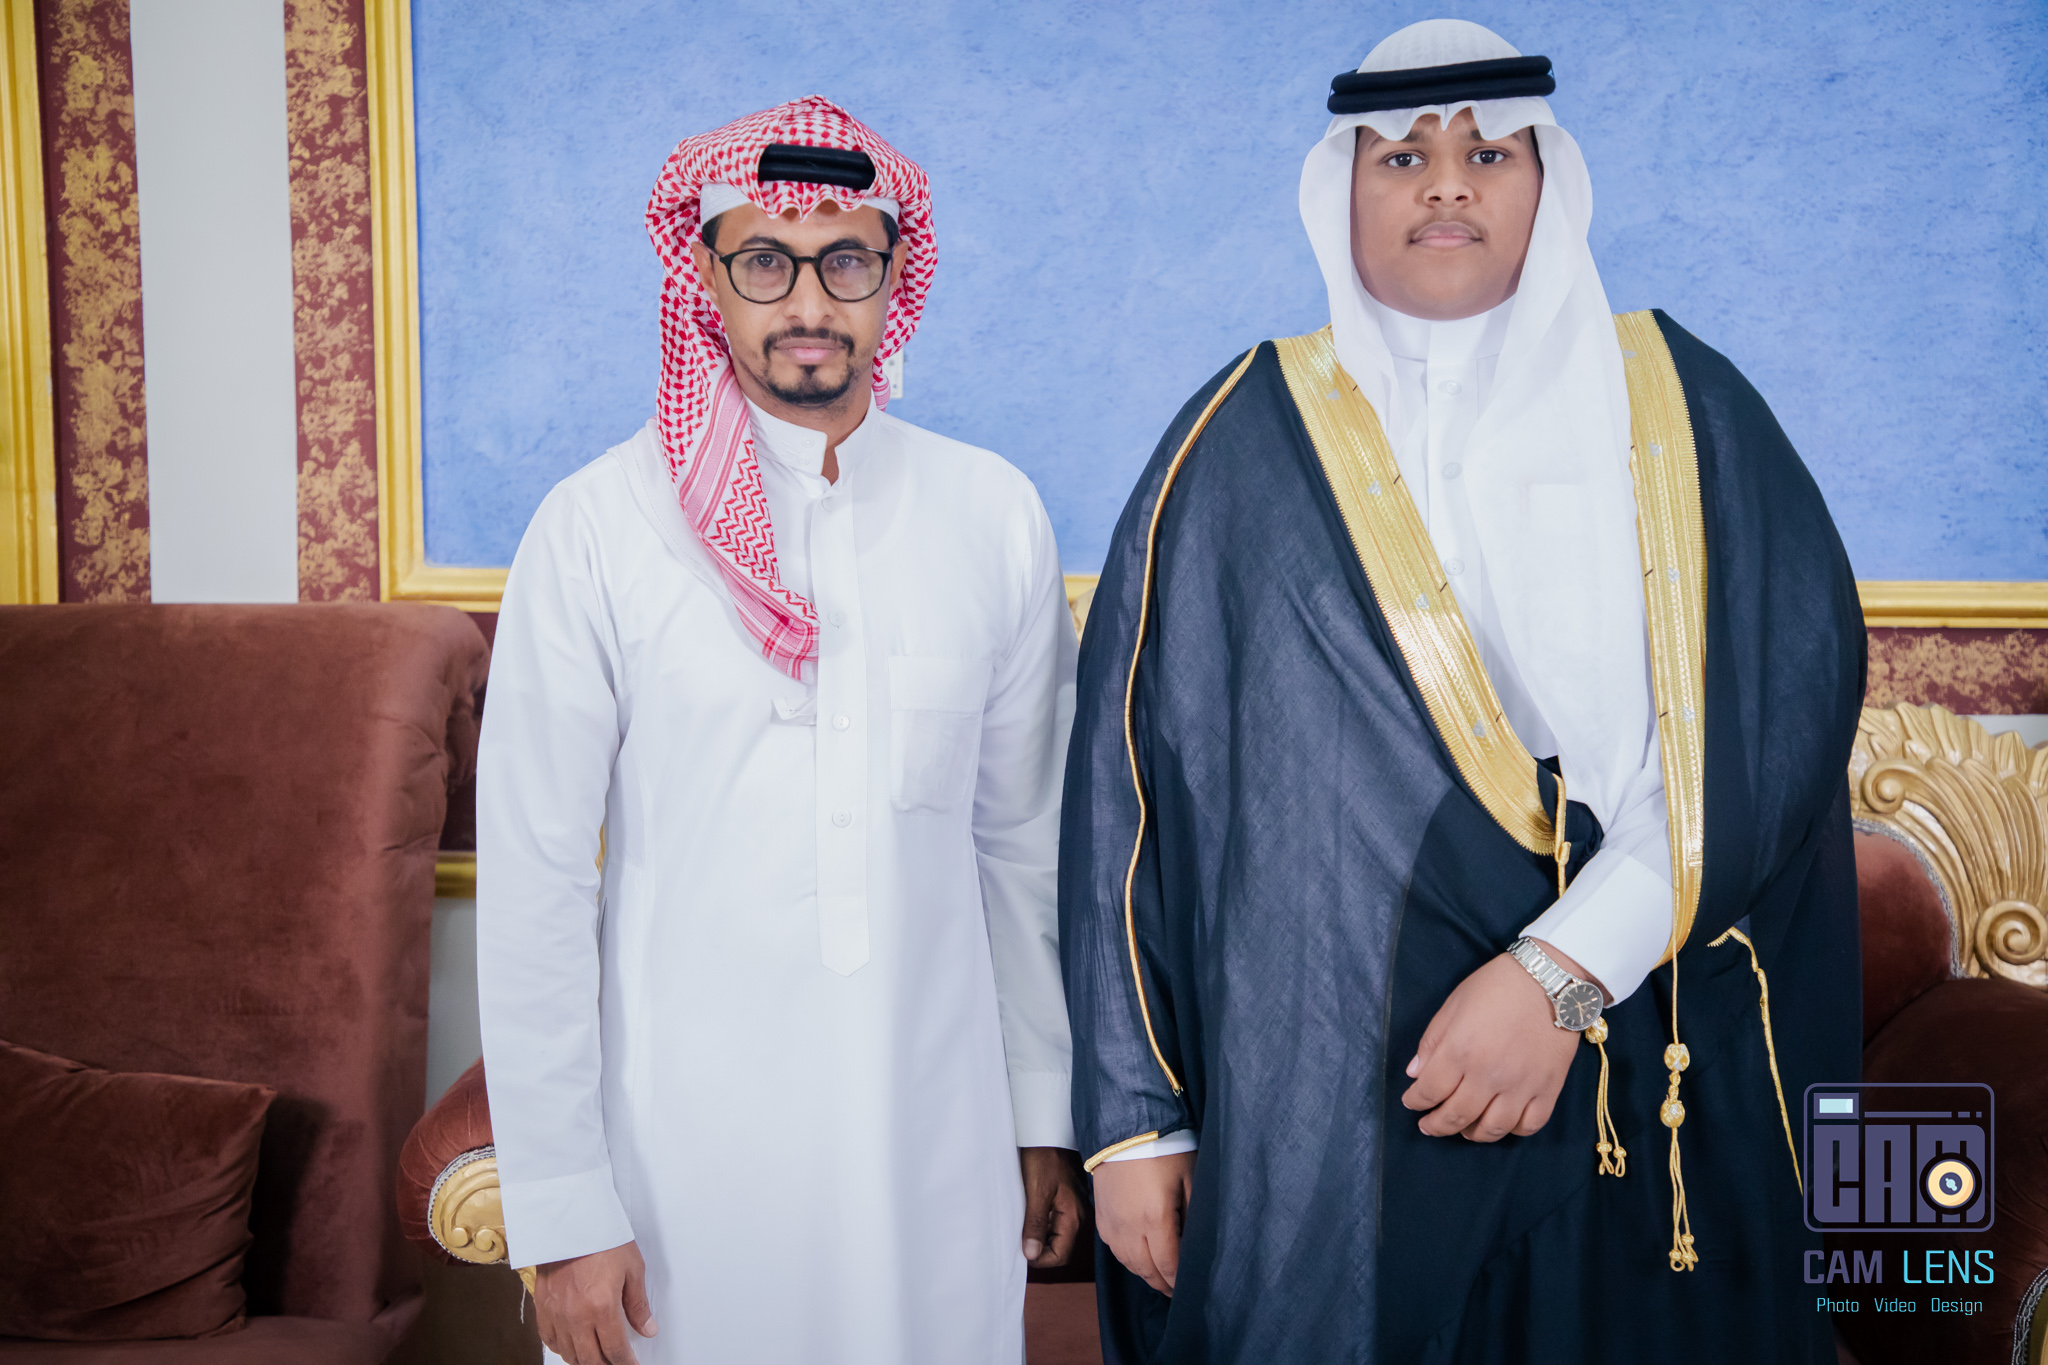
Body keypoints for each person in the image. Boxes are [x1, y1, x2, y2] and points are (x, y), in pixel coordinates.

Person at [1061, 20, 1863, 1363]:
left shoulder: (1683, 407)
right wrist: (1137, 1126)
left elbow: (1770, 730)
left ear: (1548, 180)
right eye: (1400, 156)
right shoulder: (1240, 437)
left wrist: (1559, 977)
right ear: (1342, 189)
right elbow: (1129, 794)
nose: (1445, 183)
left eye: (1488, 153)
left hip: (1644, 1050)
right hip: (1337, 1096)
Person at [478, 96, 1084, 1365]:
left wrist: (1041, 1116)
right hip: (676, 1171)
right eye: (765, 260)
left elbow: (1025, 845)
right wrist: (560, 1207)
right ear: (704, 276)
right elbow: (535, 884)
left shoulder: (991, 514)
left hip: (935, 1148)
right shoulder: (596, 527)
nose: (807, 302)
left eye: (844, 261)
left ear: (894, 277)